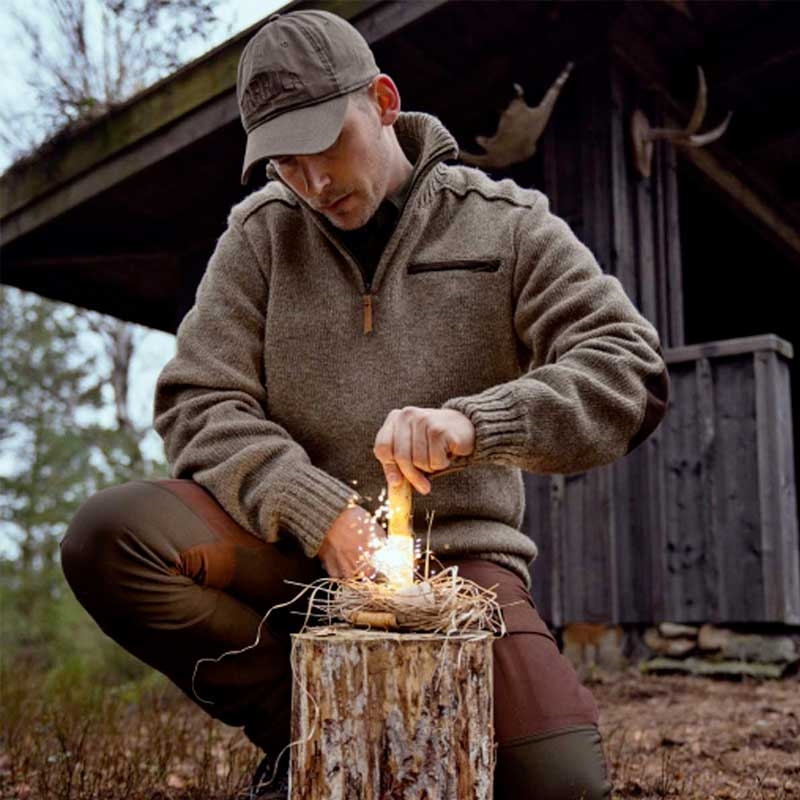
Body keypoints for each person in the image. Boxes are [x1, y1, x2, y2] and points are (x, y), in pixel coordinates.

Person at [61, 9, 669, 800]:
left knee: (559, 782)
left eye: (325, 146)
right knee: (110, 536)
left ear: (382, 100)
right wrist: (319, 513)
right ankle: (309, 731)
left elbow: (630, 368)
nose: (312, 182)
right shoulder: (259, 237)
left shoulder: (508, 226)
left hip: (459, 572)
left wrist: (475, 423)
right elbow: (198, 400)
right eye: (286, 162)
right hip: (296, 562)